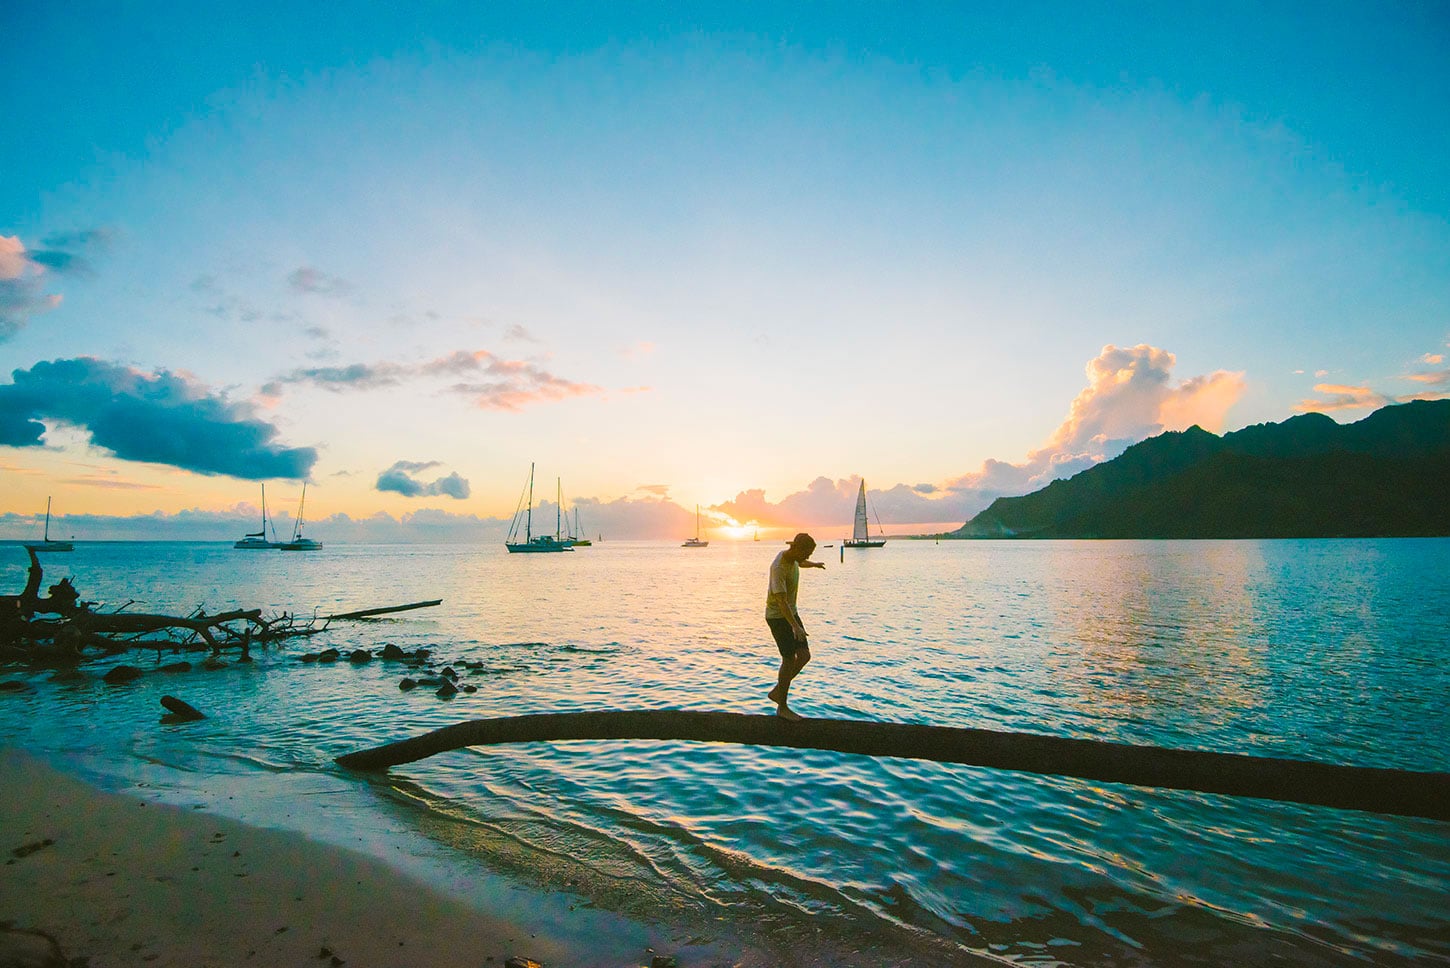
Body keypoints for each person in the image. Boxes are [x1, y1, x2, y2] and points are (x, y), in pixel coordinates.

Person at [765, 532, 825, 720]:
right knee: (789, 659)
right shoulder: (779, 567)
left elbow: (800, 562)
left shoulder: (794, 558)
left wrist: (813, 565)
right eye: (807, 554)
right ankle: (782, 707)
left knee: (805, 656)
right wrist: (795, 627)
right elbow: (781, 602)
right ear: (797, 549)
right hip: (778, 616)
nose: (808, 557)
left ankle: (777, 691)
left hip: (791, 613)